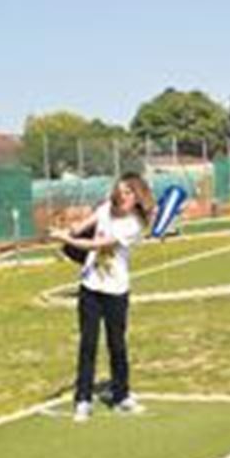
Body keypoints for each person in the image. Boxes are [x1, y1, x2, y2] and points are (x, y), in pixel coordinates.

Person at [51, 173, 155, 422]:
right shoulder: (106, 208)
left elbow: (99, 246)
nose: (122, 196)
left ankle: (121, 396)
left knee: (117, 345)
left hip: (116, 290)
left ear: (138, 196)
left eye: (129, 192)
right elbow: (83, 226)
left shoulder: (134, 225)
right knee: (88, 344)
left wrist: (67, 239)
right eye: (120, 191)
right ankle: (83, 399)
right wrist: (71, 229)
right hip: (90, 287)